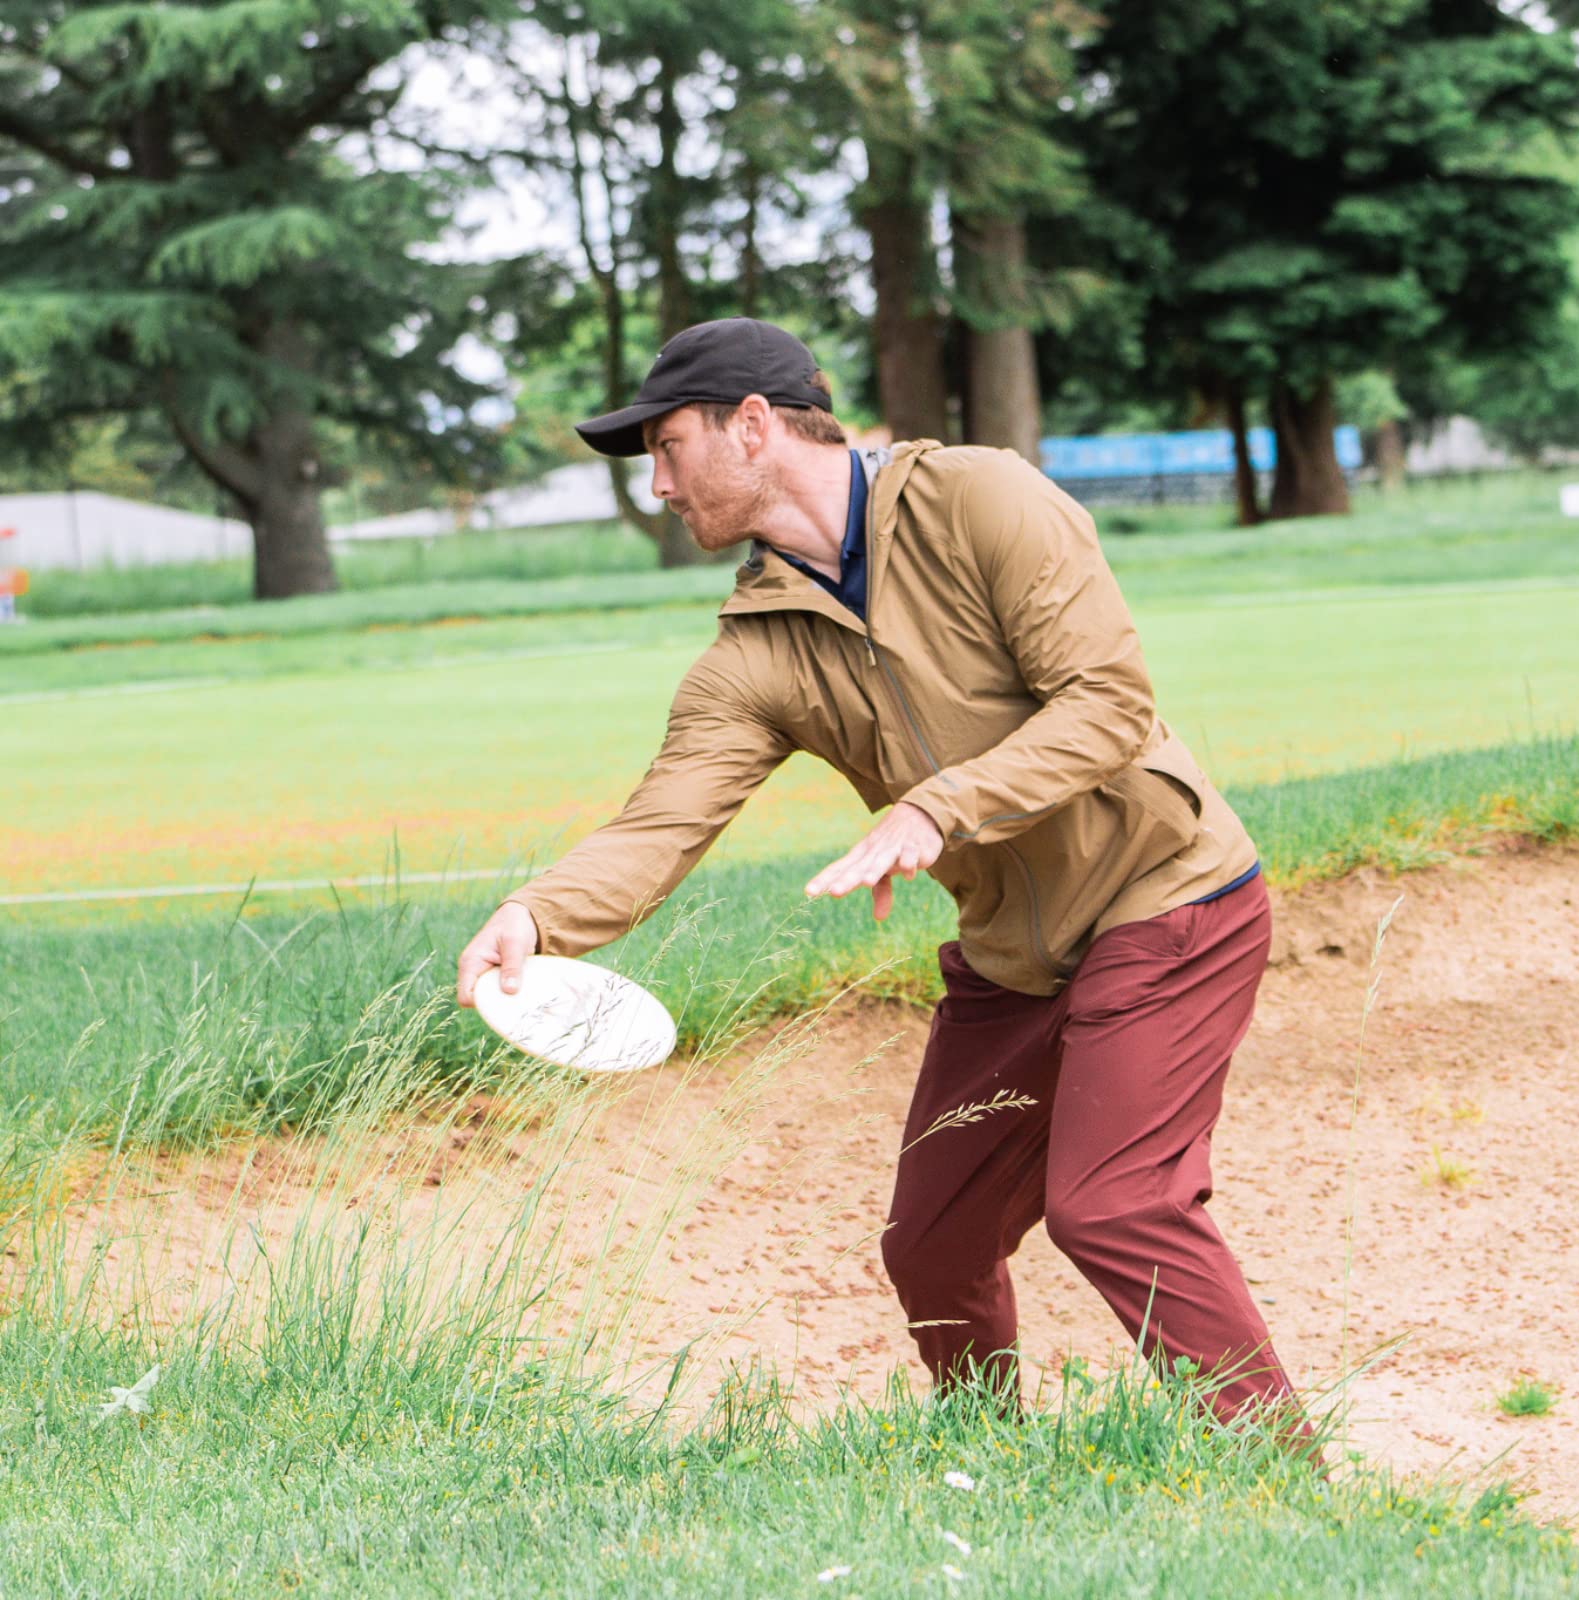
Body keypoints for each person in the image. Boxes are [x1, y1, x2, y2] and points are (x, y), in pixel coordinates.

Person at [456, 316, 1312, 1445]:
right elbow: (664, 818)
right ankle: (990, 1464)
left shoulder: (980, 499)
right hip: (1014, 957)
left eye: (666, 448)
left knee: (1113, 1202)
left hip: (1169, 898)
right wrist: (535, 913)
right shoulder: (755, 651)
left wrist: (933, 805)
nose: (656, 484)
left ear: (753, 425)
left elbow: (1107, 705)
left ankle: (1276, 1475)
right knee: (933, 1243)